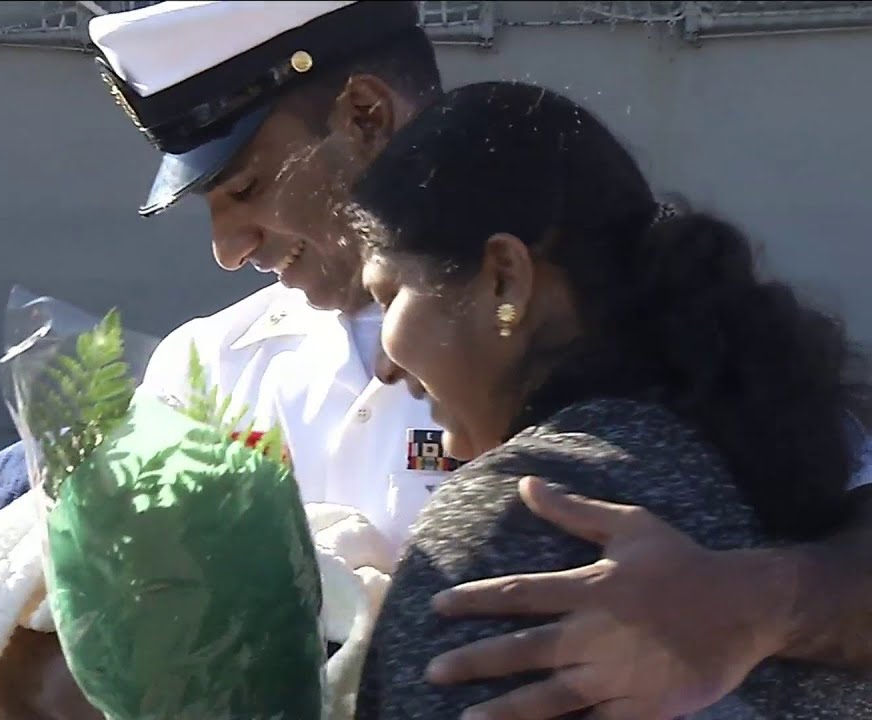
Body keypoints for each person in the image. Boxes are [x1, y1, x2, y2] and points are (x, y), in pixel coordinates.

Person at [0, 2, 872, 718]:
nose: (228, 248)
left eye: (247, 187)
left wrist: (759, 604)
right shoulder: (209, 369)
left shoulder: (676, 352)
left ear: (363, 114)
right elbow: (44, 609)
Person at [348, 79, 872, 719]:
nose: (383, 368)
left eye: (388, 297)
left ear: (505, 279)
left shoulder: (511, 527)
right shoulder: (801, 461)